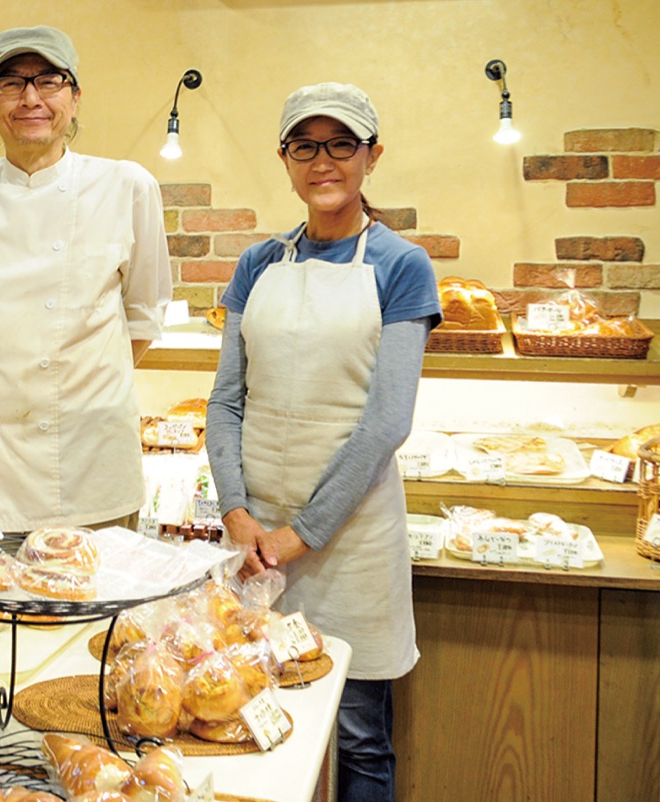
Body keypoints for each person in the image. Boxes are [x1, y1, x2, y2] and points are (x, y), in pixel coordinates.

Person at [205, 83, 441, 802]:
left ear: (372, 154)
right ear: (285, 158)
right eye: (305, 145)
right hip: (255, 549)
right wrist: (237, 513)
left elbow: (385, 422)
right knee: (250, 719)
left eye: (341, 143)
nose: (323, 160)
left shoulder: (403, 266)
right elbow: (225, 401)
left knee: (359, 736)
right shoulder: (257, 264)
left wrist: (300, 534)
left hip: (349, 545)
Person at [0, 25, 171, 533]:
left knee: (95, 609)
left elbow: (145, 317)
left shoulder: (127, 186)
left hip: (91, 463)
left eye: (49, 80)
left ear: (76, 96)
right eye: (11, 83)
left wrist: (75, 393)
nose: (30, 98)